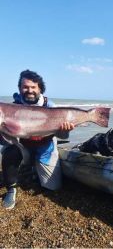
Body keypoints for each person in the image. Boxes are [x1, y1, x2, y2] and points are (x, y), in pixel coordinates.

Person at [1, 69, 74, 209]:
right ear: (20, 89)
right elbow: (4, 141)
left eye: (33, 87)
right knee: (9, 149)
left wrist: (65, 131)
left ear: (40, 88)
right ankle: (11, 188)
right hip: (22, 147)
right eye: (25, 87)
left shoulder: (52, 107)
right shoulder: (11, 108)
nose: (29, 90)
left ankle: (34, 166)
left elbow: (62, 136)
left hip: (45, 148)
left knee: (53, 187)